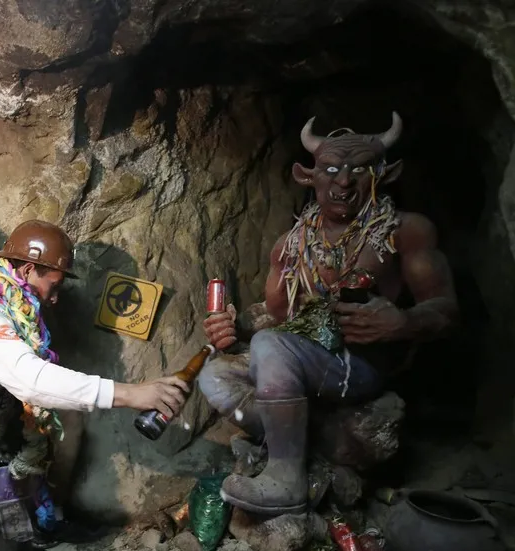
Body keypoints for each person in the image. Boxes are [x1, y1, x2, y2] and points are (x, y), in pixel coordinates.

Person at [197, 112, 459, 515]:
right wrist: (235, 326)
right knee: (214, 375)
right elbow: (276, 315)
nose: (344, 182)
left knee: (271, 346)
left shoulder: (404, 231)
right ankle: (306, 440)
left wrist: (403, 323)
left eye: (360, 170)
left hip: (361, 364)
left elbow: (447, 311)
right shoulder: (291, 245)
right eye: (332, 170)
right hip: (308, 357)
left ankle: (286, 479)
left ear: (384, 175)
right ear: (308, 176)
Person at [0, 220, 189, 551]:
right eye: (54, 284)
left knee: (68, 417)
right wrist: (131, 394)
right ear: (28, 270)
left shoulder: (12, 308)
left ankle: (49, 521)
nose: (54, 297)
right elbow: (31, 380)